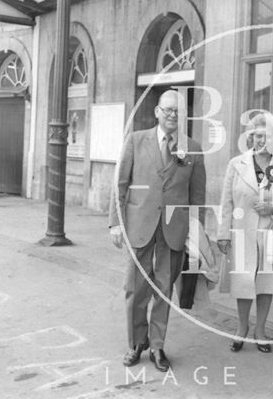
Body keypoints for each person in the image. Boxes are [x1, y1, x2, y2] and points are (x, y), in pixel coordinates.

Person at [108, 90, 206, 372]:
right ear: (156, 112)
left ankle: (158, 345)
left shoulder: (193, 148)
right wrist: (116, 223)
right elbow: (120, 185)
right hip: (140, 227)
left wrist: (196, 232)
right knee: (135, 289)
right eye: (168, 110)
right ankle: (137, 343)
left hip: (173, 231)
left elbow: (197, 196)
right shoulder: (136, 141)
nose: (173, 115)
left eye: (178, 111)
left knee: (163, 291)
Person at [217, 113, 273, 353]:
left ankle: (260, 330)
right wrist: (223, 234)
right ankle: (241, 328)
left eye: (264, 136)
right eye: (254, 135)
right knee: (243, 283)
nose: (259, 140)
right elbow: (226, 202)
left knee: (266, 284)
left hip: (271, 232)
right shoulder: (236, 163)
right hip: (242, 234)